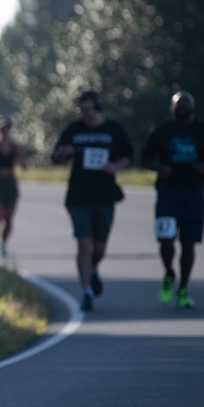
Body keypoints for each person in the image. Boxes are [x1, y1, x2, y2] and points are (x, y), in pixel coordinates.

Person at [140, 90, 204, 309]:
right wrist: (160, 168)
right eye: (179, 104)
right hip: (168, 194)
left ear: (192, 107)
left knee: (188, 245)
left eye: (186, 103)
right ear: (172, 108)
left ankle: (184, 289)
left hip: (193, 194)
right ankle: (169, 273)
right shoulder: (163, 131)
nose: (183, 107)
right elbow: (145, 159)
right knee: (166, 240)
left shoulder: (203, 132)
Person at [51, 90, 133, 312]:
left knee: (99, 248)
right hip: (78, 196)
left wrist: (115, 166)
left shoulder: (112, 130)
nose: (84, 113)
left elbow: (128, 156)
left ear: (97, 108)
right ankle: (86, 291)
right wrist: (63, 153)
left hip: (105, 195)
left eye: (87, 109)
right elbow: (55, 156)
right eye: (80, 109)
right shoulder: (74, 129)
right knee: (84, 244)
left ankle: (93, 269)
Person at [0, 114, 27, 256]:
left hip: (10, 183)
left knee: (8, 217)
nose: (4, 131)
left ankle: (4, 243)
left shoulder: (15, 147)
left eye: (7, 128)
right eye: (2, 128)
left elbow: (24, 164)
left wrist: (21, 162)